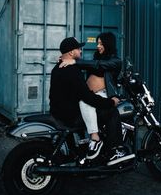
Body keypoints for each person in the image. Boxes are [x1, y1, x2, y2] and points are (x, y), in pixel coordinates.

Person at [58, 33, 135, 165]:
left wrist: (75, 61)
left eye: (101, 43)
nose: (98, 46)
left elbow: (99, 65)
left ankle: (100, 142)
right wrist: (65, 60)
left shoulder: (115, 61)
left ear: (108, 44)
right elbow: (91, 64)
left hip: (104, 94)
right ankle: (92, 142)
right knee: (84, 103)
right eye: (97, 43)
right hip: (94, 95)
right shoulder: (96, 57)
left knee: (88, 102)